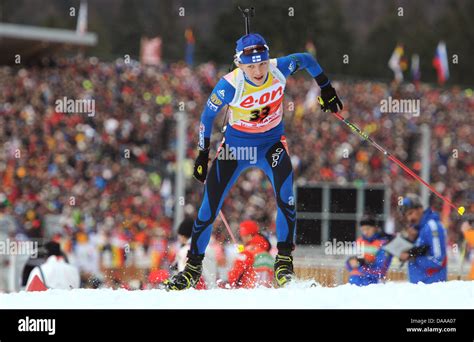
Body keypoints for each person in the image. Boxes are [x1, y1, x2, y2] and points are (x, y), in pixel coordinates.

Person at [165, 33, 343, 290]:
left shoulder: (279, 68)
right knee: (207, 209)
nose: (258, 71)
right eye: (251, 66)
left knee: (286, 199)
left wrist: (326, 88)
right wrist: (202, 154)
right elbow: (206, 118)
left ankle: (283, 263)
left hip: (271, 146)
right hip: (236, 150)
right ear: (240, 64)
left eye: (262, 64)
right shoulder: (229, 85)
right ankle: (192, 268)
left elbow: (307, 60)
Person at [399, 194, 447, 284]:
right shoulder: (420, 229)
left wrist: (411, 256)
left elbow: (438, 260)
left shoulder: (432, 226)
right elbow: (423, 251)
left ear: (420, 209)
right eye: (406, 216)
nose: (409, 219)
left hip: (431, 285)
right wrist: (411, 242)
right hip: (421, 286)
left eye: (410, 213)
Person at [225, 220, 273, 288]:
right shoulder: (267, 252)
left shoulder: (247, 252)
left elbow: (235, 274)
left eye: (242, 236)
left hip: (249, 291)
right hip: (268, 291)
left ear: (248, 235)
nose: (242, 238)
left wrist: (229, 283)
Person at [346, 216, 392, 286]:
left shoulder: (383, 243)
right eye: (363, 229)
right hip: (354, 284)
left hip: (372, 286)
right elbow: (348, 265)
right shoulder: (358, 241)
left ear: (375, 228)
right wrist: (351, 262)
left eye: (368, 229)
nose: (365, 232)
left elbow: (381, 271)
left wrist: (363, 264)